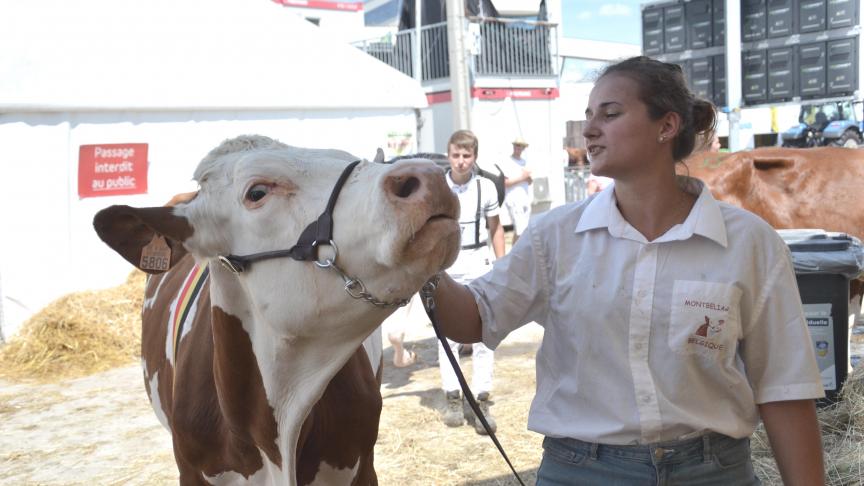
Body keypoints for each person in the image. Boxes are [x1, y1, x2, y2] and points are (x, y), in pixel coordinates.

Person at [428, 56, 825, 485]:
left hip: (713, 472)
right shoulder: (555, 236)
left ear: (666, 126)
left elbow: (785, 390)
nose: (590, 129)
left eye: (610, 113)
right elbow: (473, 318)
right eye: (588, 116)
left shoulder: (749, 242)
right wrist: (420, 261)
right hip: (581, 472)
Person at [438, 129, 505, 435]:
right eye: (456, 155)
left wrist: (502, 266)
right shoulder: (438, 187)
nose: (461, 161)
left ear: (474, 157)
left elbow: (496, 228)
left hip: (479, 264)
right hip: (447, 267)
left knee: (483, 334)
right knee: (447, 336)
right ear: (448, 155)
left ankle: (481, 400)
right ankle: (453, 397)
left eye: (467, 156)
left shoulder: (486, 188)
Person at [498, 137, 533, 244]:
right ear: (513, 146)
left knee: (524, 229)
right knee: (521, 230)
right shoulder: (507, 161)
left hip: (525, 198)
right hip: (513, 198)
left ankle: (515, 252)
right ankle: (517, 254)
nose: (518, 148)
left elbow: (529, 181)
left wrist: (527, 178)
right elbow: (505, 183)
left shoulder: (525, 162)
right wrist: (522, 177)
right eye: (517, 145)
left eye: (520, 146)